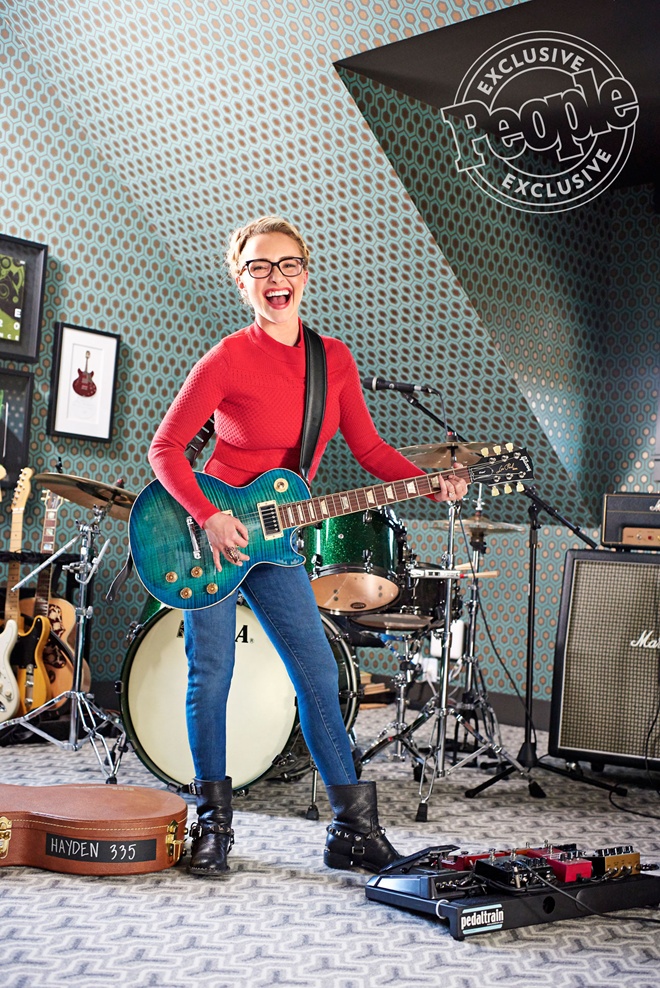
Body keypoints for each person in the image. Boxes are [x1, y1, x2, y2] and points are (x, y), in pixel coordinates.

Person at [148, 216, 468, 878]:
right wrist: (210, 515)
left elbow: (370, 448)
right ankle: (212, 825)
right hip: (214, 540)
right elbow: (165, 449)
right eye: (259, 267)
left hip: (278, 541)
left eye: (287, 264)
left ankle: (354, 831)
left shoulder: (334, 361)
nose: (276, 278)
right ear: (241, 281)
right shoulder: (226, 358)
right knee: (212, 673)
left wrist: (426, 481)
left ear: (305, 272)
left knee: (319, 675)